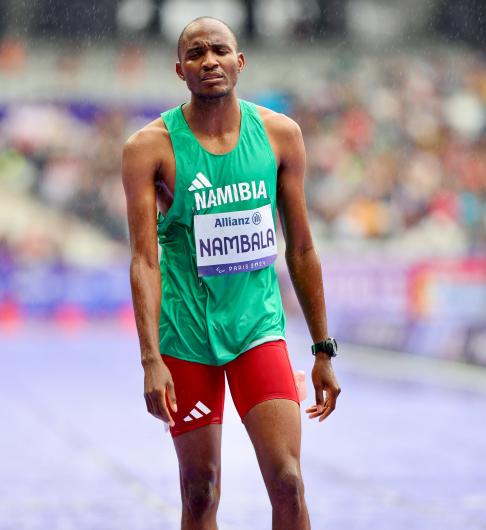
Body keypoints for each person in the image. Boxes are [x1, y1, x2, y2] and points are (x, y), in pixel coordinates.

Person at [121, 16, 341, 529]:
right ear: (180, 70)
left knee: (288, 481)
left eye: (219, 50)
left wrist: (323, 348)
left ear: (240, 62)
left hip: (256, 330)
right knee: (200, 492)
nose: (209, 61)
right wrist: (150, 360)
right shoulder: (147, 148)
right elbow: (144, 260)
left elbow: (302, 249)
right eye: (195, 54)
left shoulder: (280, 136)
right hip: (187, 336)